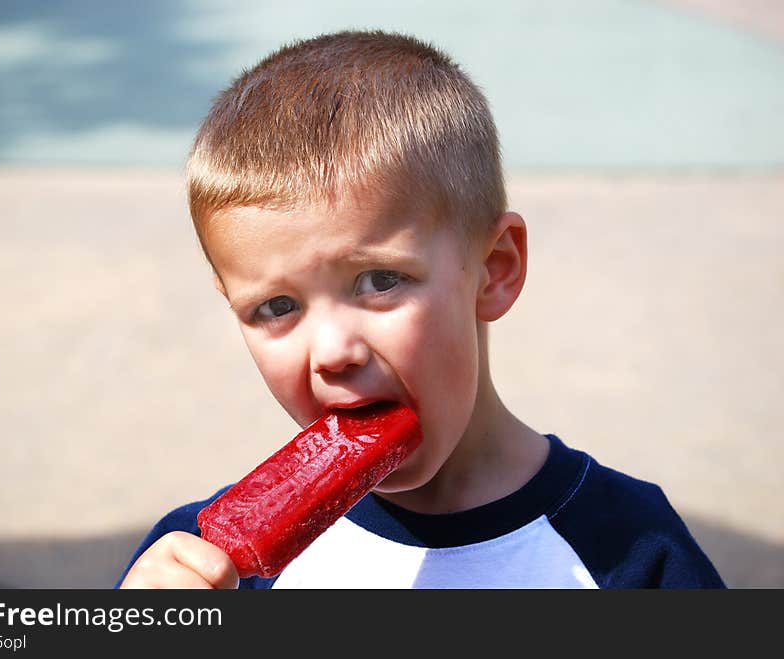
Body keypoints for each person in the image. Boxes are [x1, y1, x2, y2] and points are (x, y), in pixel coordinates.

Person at [116, 30, 724, 589]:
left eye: (380, 280)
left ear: (494, 269)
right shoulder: (201, 568)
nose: (333, 352)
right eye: (276, 306)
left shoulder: (633, 551)